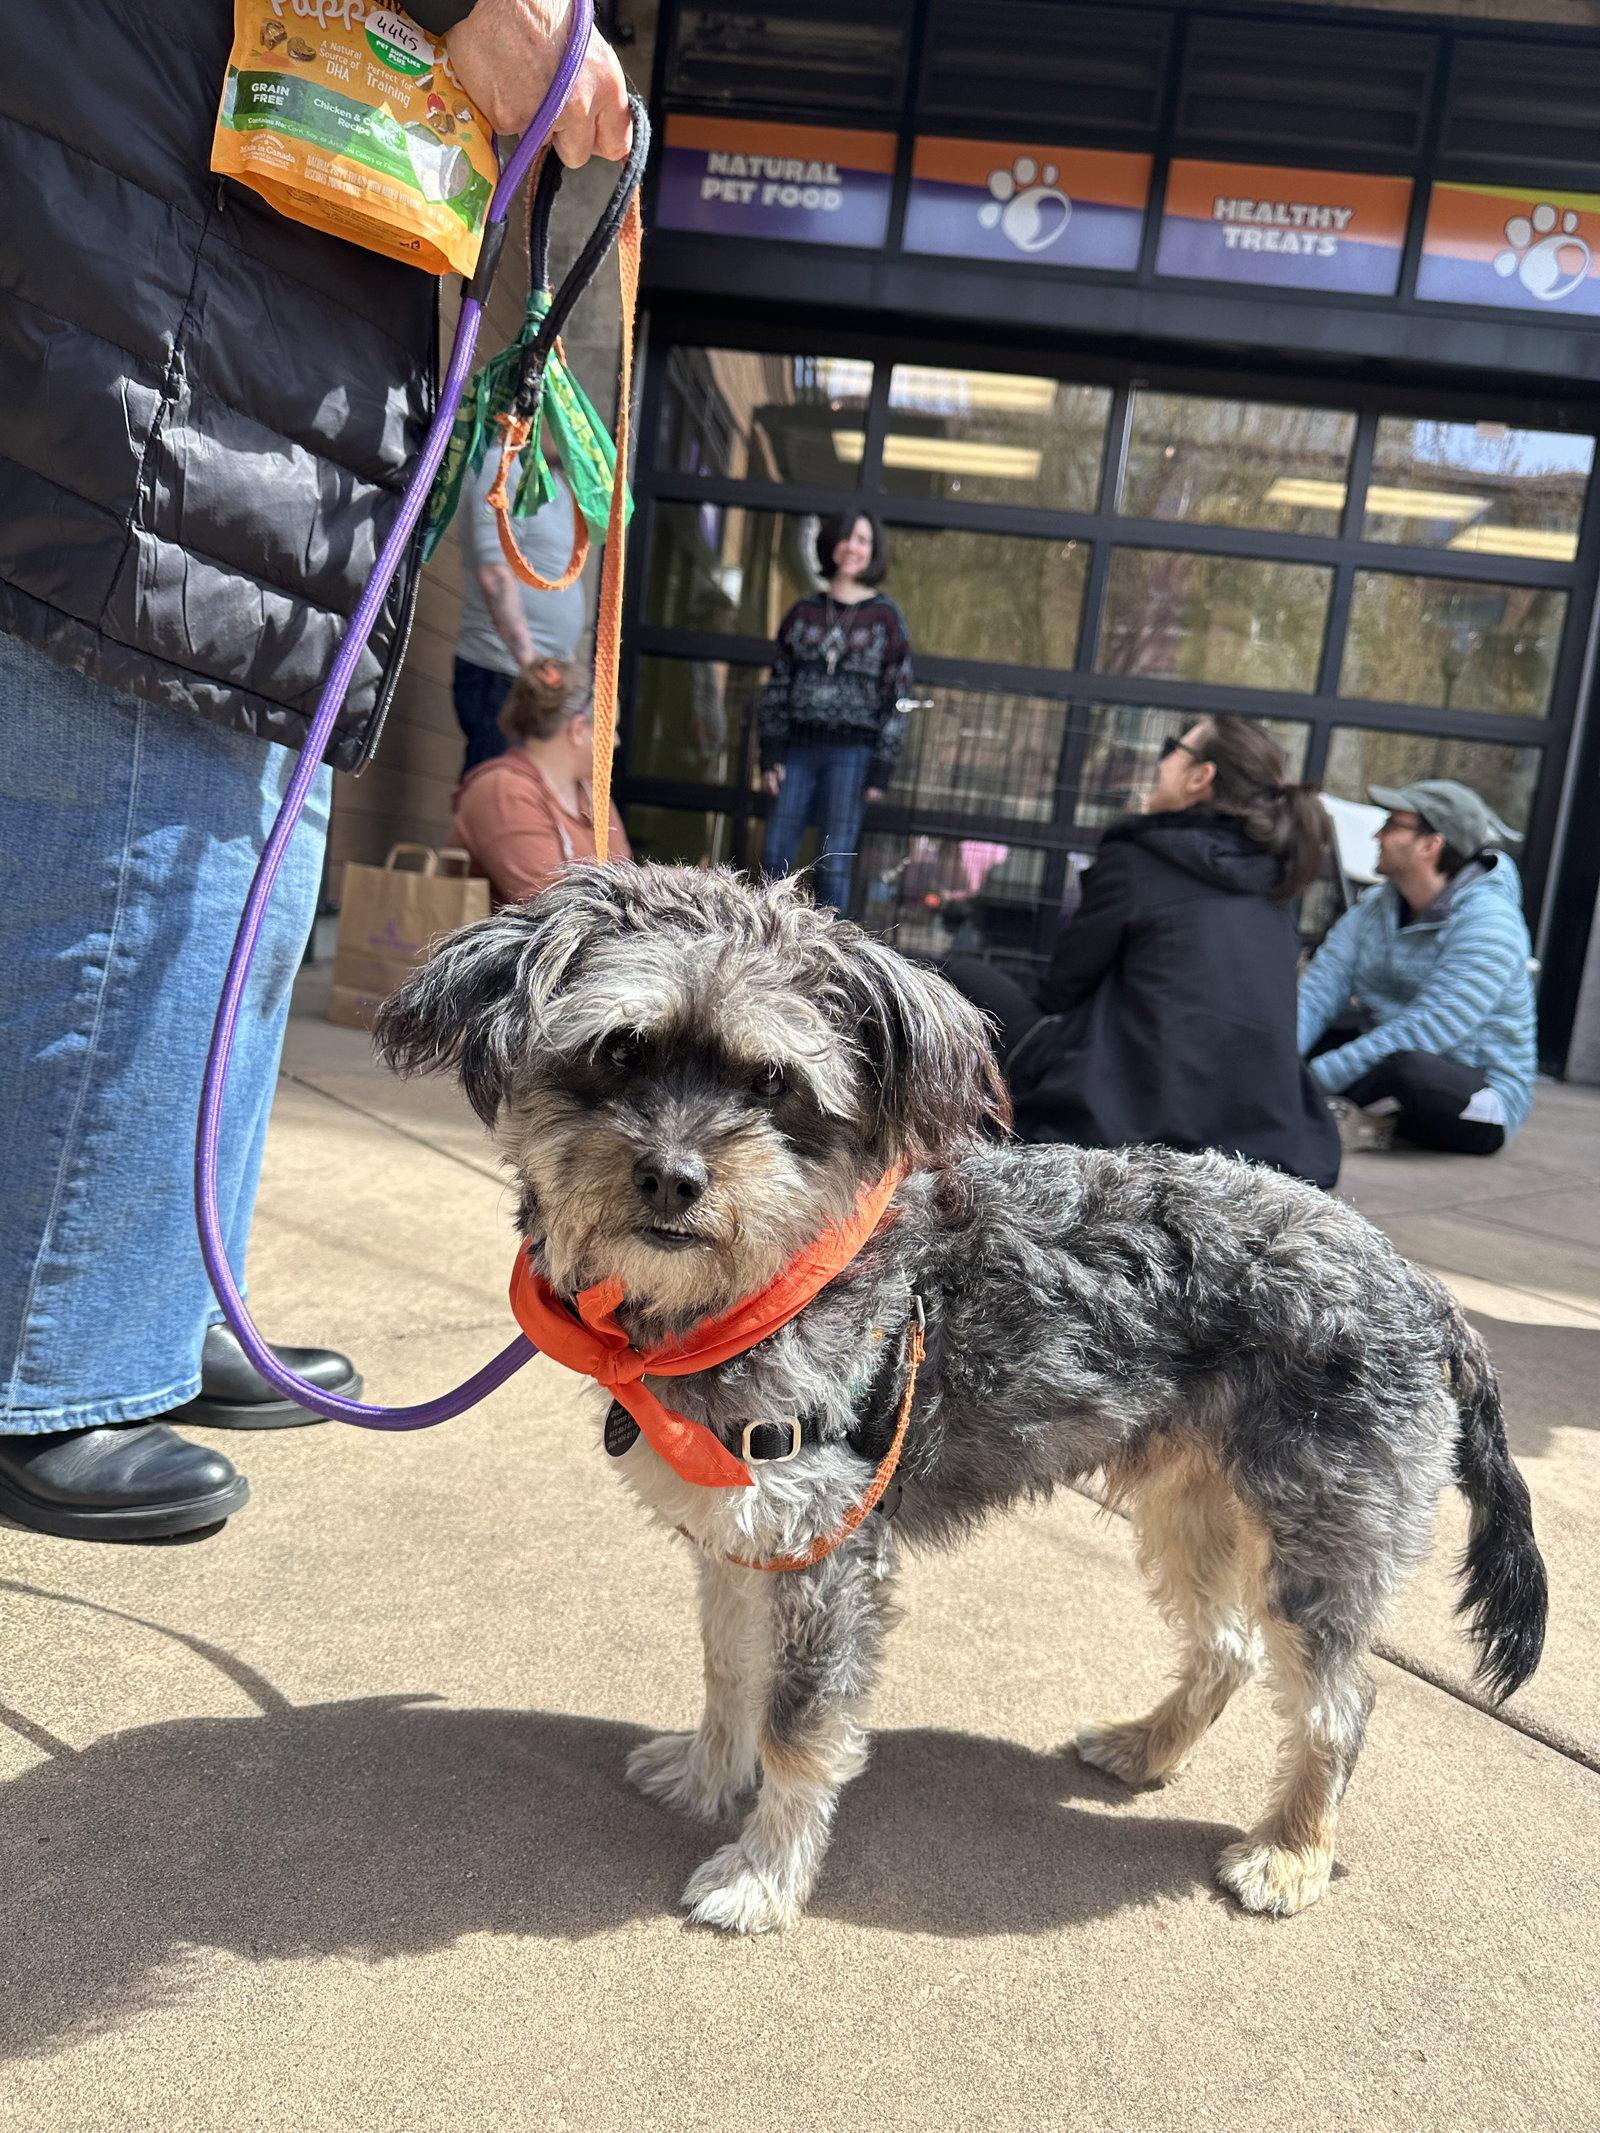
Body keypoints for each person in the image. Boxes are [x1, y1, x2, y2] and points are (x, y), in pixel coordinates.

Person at [0, 0, 630, 1541]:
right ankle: (52, 1352)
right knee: (147, 826)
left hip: (249, 277)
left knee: (246, 872)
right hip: (157, 253)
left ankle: (146, 1287)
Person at [943, 716, 1340, 1188]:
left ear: (1201, 776)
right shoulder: (1274, 883)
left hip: (1128, 1110)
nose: (1160, 761)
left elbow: (1064, 989)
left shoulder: (1139, 858)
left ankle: (935, 1138)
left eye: (1174, 747)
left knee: (956, 975)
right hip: (1256, 1128)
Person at [1299, 780, 1536, 1156]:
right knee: (1292, 1044)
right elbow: (1317, 992)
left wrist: (1307, 1080)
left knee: (1411, 1071)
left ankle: (1335, 1112)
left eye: (1393, 825)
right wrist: (1277, 1063)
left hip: (1478, 1096)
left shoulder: (1491, 923)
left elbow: (1428, 1030)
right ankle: (1351, 1116)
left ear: (1431, 844)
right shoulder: (1375, 908)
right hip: (1389, 1061)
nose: (1378, 834)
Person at [758, 511, 913, 912]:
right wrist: (770, 753)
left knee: (834, 866)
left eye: (862, 540)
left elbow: (897, 696)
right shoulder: (802, 612)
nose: (853, 547)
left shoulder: (886, 619)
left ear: (873, 550)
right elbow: (777, 686)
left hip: (853, 755)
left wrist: (882, 766)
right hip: (797, 749)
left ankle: (830, 958)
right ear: (831, 545)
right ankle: (764, 943)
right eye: (846, 538)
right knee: (775, 854)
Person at [452, 442, 587, 775]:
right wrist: (530, 663)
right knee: (495, 792)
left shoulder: (556, 486)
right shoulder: (504, 465)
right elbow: (494, 572)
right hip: (504, 670)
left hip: (537, 677)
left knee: (521, 794)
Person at [453, 660, 630, 904]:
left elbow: (625, 880)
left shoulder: (592, 795)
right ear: (578, 730)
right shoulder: (503, 791)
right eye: (612, 729)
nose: (617, 741)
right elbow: (553, 908)